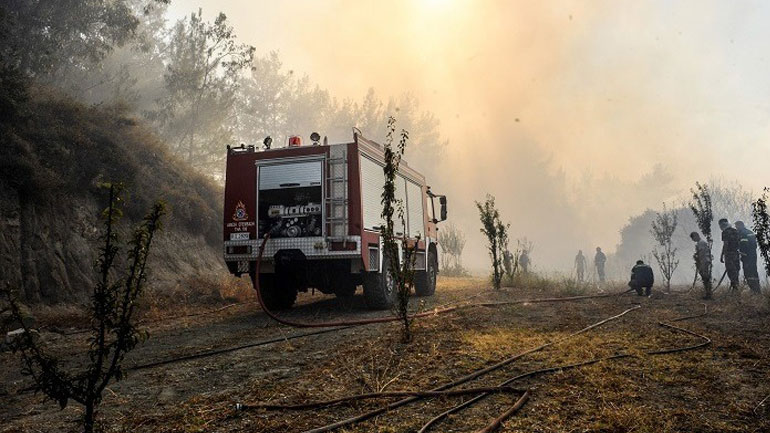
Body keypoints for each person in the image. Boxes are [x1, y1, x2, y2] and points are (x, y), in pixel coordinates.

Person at [735, 221, 761, 294]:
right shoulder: (750, 232)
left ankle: (754, 290)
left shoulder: (742, 234)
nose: (736, 228)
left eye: (736, 226)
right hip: (753, 256)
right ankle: (757, 290)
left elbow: (743, 246)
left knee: (748, 273)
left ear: (740, 225)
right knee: (754, 272)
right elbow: (754, 245)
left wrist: (742, 254)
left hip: (747, 257)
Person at [719, 218, 741, 292]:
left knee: (731, 271)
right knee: (736, 271)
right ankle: (736, 288)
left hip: (729, 254)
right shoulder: (735, 231)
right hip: (736, 253)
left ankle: (735, 289)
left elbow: (726, 244)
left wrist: (722, 255)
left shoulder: (725, 232)